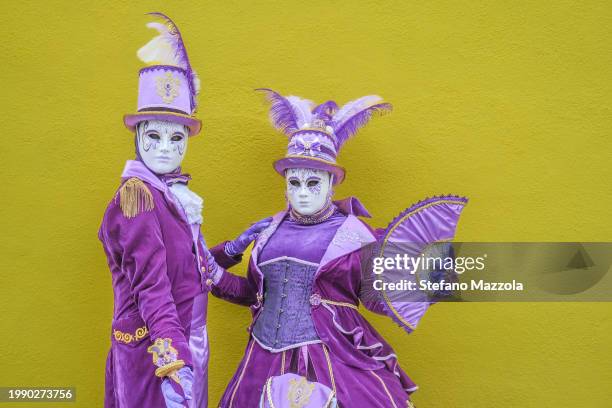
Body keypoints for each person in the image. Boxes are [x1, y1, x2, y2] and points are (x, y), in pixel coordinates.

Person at [207, 89, 468, 407]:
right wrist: (229, 253)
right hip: (261, 361)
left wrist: (428, 280)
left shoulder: (354, 236)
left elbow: (380, 296)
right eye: (294, 182)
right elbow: (252, 293)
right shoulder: (267, 231)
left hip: (332, 359)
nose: (302, 192)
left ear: (332, 183)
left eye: (313, 182)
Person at [98, 14, 269, 408]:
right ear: (138, 137)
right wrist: (175, 364)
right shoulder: (137, 199)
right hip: (153, 350)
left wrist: (235, 250)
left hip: (188, 338)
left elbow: (193, 267)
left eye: (176, 138)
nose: (165, 147)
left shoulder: (172, 196)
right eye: (154, 136)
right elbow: (153, 288)